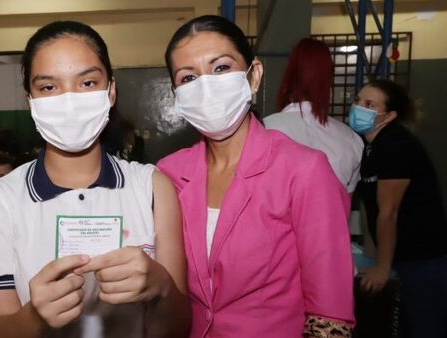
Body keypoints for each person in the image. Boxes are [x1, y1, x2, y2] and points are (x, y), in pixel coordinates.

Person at [0, 21, 190, 338]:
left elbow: (177, 329)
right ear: (30, 100)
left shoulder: (152, 187)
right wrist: (34, 318)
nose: (69, 101)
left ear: (110, 91)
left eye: (86, 83)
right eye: (48, 87)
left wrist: (161, 286)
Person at [157, 15, 355, 337]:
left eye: (221, 68)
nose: (206, 86)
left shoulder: (304, 171)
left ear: (254, 75)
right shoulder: (168, 174)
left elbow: (329, 315)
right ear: (176, 94)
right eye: (188, 78)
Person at [350, 79, 447, 338]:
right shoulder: (370, 148)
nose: (359, 107)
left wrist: (382, 268)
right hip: (399, 256)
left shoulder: (396, 145)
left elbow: (388, 212)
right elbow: (369, 205)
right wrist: (373, 257)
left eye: (370, 104)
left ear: (389, 115)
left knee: (424, 326)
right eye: (358, 100)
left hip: (422, 259)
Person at [264, 38, 364, 195]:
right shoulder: (351, 139)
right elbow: (344, 206)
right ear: (328, 80)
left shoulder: (264, 129)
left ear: (289, 75)